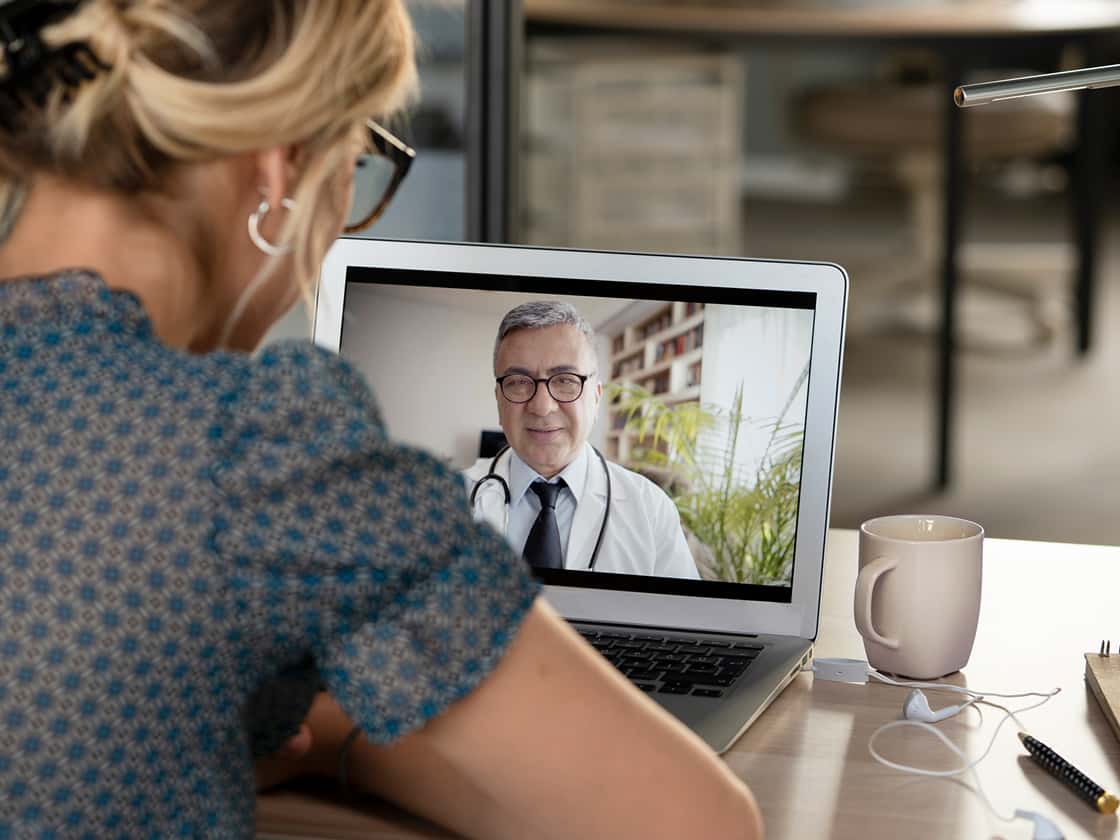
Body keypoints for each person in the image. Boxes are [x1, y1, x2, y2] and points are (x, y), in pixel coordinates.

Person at [0, 1, 761, 838]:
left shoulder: (643, 510)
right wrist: (342, 737)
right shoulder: (251, 445)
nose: (543, 402)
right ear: (281, 169)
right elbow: (698, 823)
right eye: (358, 163)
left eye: (565, 380)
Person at [464, 301, 701, 579]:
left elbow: (677, 620)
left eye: (565, 380)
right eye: (518, 381)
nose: (542, 407)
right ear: (499, 400)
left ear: (596, 397)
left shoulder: (652, 511)